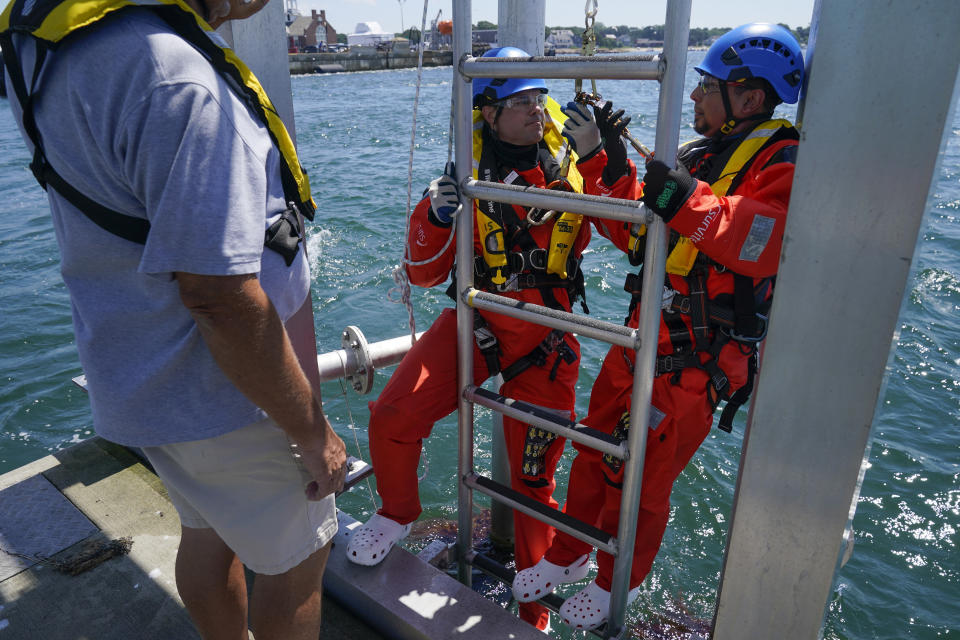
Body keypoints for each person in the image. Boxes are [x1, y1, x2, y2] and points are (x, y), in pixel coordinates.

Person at [0, 0, 347, 638]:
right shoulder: (180, 78)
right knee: (295, 563)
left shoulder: (56, 47)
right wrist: (311, 430)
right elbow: (219, 299)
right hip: (228, 395)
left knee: (206, 535)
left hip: (139, 372)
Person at [512, 23, 805, 630]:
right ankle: (568, 556)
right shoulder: (701, 160)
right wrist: (602, 161)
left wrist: (683, 198)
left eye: (707, 87)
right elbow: (637, 237)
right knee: (595, 449)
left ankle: (616, 580)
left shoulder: (784, 163)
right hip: (645, 335)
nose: (694, 97)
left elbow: (761, 239)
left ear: (749, 98)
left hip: (700, 358)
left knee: (641, 480)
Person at [345, 46, 591, 630]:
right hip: (476, 321)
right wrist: (435, 214)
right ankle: (398, 512)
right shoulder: (463, 178)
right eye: (521, 101)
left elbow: (621, 227)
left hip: (545, 337)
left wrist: (600, 158)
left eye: (539, 98)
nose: (536, 109)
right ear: (488, 112)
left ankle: (535, 609)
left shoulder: (570, 171)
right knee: (392, 414)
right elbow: (425, 273)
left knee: (533, 480)